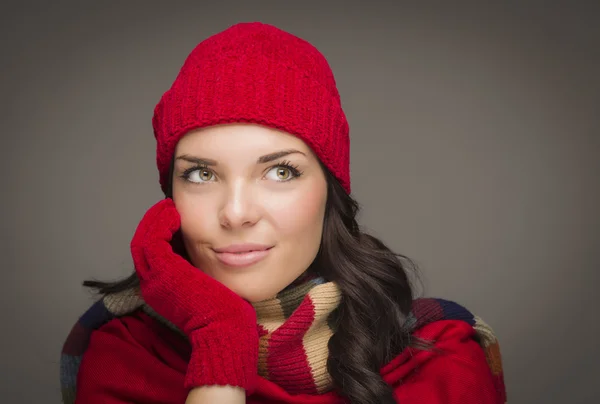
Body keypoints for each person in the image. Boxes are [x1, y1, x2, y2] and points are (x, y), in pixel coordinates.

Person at [59, 22, 507, 404]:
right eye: (200, 175)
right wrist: (221, 339)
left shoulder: (440, 356)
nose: (236, 214)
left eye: (280, 171)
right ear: (169, 198)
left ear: (329, 190)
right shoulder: (122, 354)